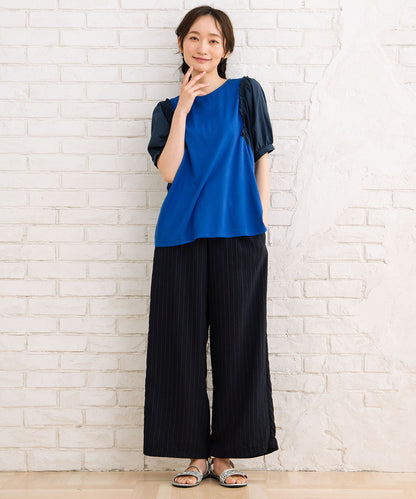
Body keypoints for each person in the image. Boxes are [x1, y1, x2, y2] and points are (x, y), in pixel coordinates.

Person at [143, 5, 279, 488]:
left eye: (214, 40)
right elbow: (170, 171)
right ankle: (194, 456)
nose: (203, 48)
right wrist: (183, 107)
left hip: (240, 234)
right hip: (180, 237)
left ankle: (225, 455)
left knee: (239, 345)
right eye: (195, 38)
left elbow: (262, 157)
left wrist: (260, 219)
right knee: (178, 346)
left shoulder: (246, 93)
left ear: (226, 49)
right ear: (181, 44)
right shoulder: (166, 110)